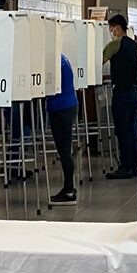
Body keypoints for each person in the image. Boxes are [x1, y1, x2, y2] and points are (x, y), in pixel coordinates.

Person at [102, 14, 137, 179]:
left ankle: (125, 167)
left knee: (122, 130)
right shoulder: (133, 45)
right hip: (134, 91)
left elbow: (99, 62)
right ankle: (134, 164)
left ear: (117, 28)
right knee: (132, 130)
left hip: (121, 93)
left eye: (111, 29)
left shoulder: (115, 44)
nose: (111, 32)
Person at [47, 54, 78, 206]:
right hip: (69, 104)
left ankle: (69, 190)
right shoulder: (62, 58)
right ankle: (69, 187)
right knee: (66, 150)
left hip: (60, 107)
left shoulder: (52, 60)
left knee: (64, 151)